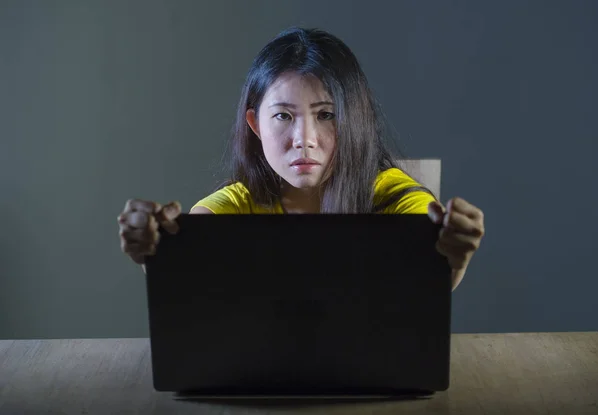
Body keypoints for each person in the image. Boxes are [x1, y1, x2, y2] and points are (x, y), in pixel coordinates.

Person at [117, 27, 485, 291]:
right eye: (283, 116)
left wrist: (454, 254)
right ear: (255, 124)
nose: (304, 140)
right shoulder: (236, 205)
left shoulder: (391, 194)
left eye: (326, 115)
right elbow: (188, 265)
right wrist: (156, 249)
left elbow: (430, 264)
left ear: (353, 119)